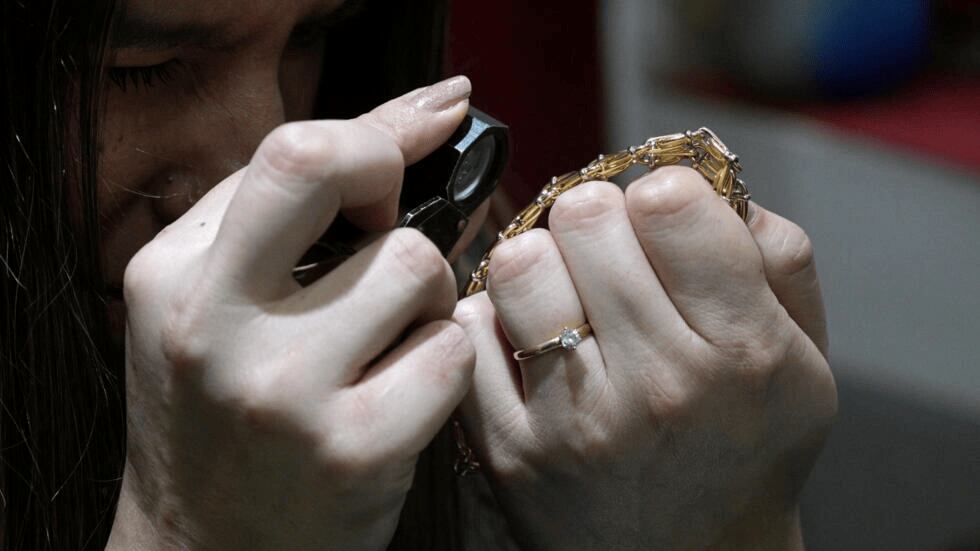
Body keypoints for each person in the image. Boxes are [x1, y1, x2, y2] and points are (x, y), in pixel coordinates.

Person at [0, 0, 838, 549]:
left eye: (314, 38)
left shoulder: (465, 290)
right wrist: (190, 531)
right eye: (136, 70)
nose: (267, 155)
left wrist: (736, 530)